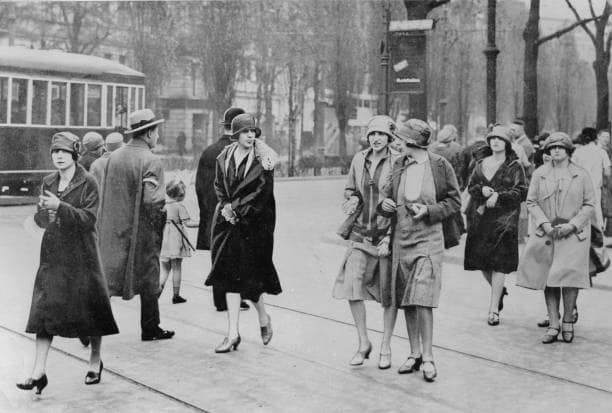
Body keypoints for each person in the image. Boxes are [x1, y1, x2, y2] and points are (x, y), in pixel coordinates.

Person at [17, 132, 118, 394]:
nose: (58, 156)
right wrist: (42, 215)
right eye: (54, 152)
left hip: (82, 255)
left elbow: (88, 219)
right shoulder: (48, 181)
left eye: (63, 152)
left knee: (92, 309)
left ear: (74, 154)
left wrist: (59, 206)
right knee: (43, 311)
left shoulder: (89, 181)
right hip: (54, 255)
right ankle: (38, 371)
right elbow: (43, 219)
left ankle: (95, 362)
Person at [379, 119, 461, 382]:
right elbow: (385, 196)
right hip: (402, 240)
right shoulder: (398, 165)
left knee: (423, 297)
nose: (397, 143)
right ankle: (414, 354)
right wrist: (386, 204)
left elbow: (454, 200)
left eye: (401, 139)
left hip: (429, 240)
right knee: (407, 299)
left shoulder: (439, 165)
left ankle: (428, 357)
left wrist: (430, 210)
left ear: (412, 142)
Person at [205, 113, 282, 353]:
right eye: (245, 132)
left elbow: (262, 192)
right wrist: (226, 207)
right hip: (227, 225)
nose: (250, 136)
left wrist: (236, 209)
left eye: (253, 132)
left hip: (253, 226)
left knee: (251, 280)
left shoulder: (263, 159)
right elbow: (219, 185)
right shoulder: (224, 156)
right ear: (235, 134)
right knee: (229, 278)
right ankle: (232, 334)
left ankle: (263, 318)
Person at [98, 109, 175, 341]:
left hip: (113, 229)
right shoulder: (151, 160)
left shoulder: (114, 157)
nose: (158, 136)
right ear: (149, 133)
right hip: (142, 233)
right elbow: (152, 200)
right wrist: (163, 212)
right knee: (149, 278)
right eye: (157, 131)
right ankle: (150, 328)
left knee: (108, 279)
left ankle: (91, 325)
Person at [517, 132, 595, 344]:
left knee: (569, 279)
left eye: (561, 147)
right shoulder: (540, 173)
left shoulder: (581, 174)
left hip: (572, 235)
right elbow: (531, 201)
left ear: (569, 151)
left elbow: (589, 204)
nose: (556, 151)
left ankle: (568, 320)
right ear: (548, 151)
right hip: (548, 233)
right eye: (552, 148)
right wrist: (543, 223)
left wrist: (572, 224)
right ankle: (553, 323)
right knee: (549, 278)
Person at [332, 115, 396, 368]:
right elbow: (350, 189)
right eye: (372, 134)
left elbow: (399, 200)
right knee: (352, 287)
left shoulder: (398, 161)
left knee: (388, 294)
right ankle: (363, 341)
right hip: (360, 233)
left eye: (381, 134)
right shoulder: (359, 159)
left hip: (386, 237)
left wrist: (390, 236)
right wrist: (352, 199)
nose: (376, 138)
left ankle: (386, 345)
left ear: (390, 137)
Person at [464, 126, 528, 326]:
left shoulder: (514, 166)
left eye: (500, 139)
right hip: (480, 219)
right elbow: (471, 186)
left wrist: (499, 196)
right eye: (492, 139)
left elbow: (521, 192)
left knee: (499, 262)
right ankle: (499, 292)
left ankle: (493, 310)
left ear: (507, 143)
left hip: (504, 220)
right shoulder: (480, 163)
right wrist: (482, 189)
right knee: (481, 261)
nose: (495, 142)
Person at [195, 107, 250, 312]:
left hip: (214, 214)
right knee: (239, 256)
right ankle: (238, 297)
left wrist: (207, 214)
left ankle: (220, 300)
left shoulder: (209, 151)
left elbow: (200, 186)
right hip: (237, 214)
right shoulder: (244, 151)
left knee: (218, 256)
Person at [159, 179, 199, 304]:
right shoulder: (179, 207)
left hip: (165, 240)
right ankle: (176, 296)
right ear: (180, 195)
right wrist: (202, 224)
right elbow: (188, 223)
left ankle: (156, 293)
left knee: (165, 269)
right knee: (177, 268)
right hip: (176, 241)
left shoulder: (164, 206)